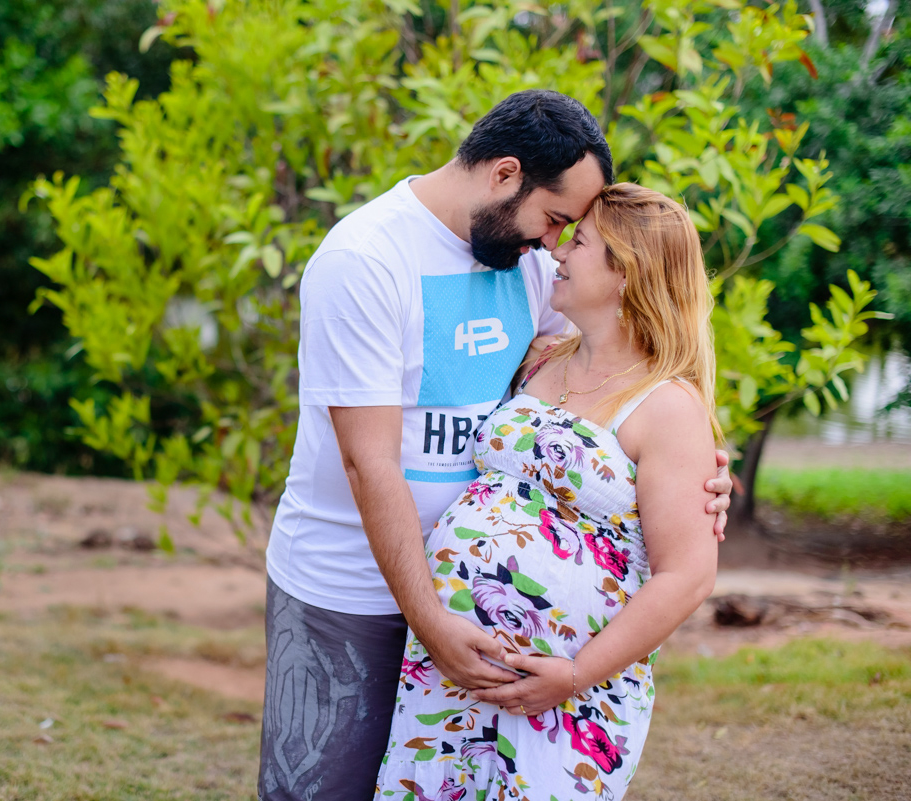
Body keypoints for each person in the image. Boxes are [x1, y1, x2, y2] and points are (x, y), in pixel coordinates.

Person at [258, 90, 732, 801]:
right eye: (555, 219)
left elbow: (609, 373)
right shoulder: (366, 258)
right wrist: (431, 620)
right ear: (505, 174)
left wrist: (700, 473)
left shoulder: (534, 267)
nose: (554, 242)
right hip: (348, 591)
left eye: (571, 232)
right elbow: (370, 460)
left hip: (473, 632)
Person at [374, 183, 721, 800]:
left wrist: (572, 674)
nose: (557, 250)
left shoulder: (667, 406)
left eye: (579, 240)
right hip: (452, 673)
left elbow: (687, 575)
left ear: (625, 271)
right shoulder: (538, 359)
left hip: (568, 694)